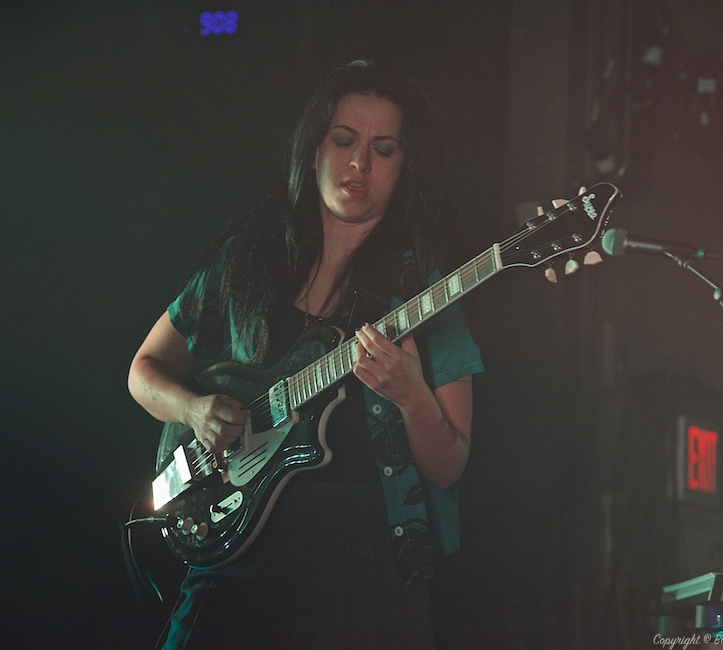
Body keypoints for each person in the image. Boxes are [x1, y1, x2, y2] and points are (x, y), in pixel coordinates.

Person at [128, 60, 484, 649]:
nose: (359, 164)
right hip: (234, 560)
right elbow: (145, 372)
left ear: (405, 167)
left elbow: (450, 465)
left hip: (362, 579)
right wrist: (193, 410)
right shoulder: (246, 261)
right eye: (344, 140)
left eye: (384, 148)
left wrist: (413, 397)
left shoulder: (423, 294)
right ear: (313, 147)